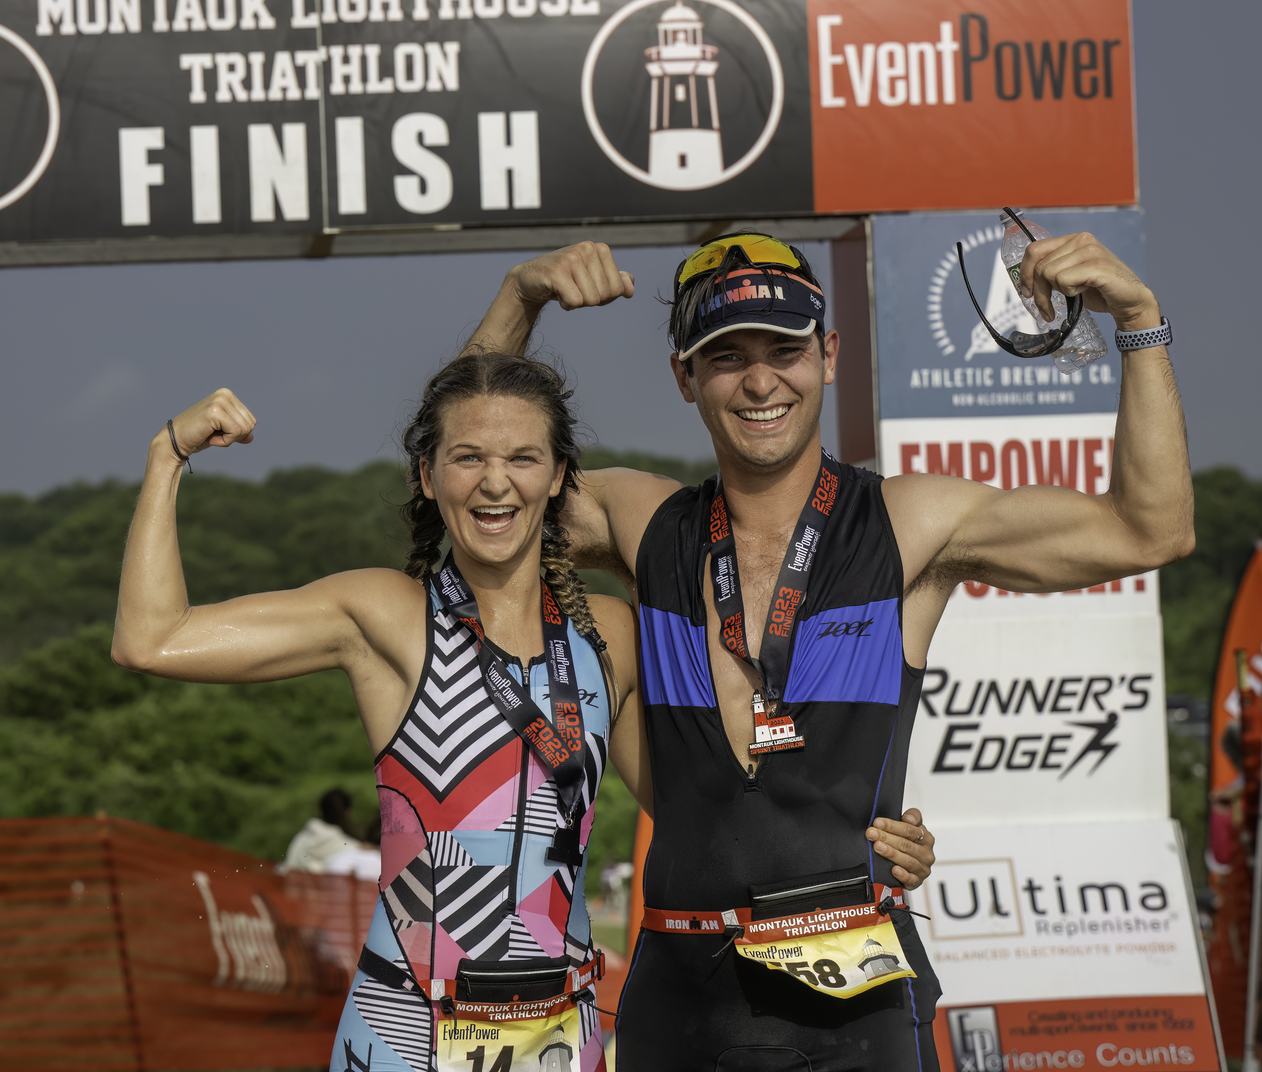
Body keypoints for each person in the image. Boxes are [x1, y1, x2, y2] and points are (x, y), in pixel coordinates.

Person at [463, 230, 1193, 1071]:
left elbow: (1153, 529)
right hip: (680, 993)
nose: (761, 379)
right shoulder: (643, 520)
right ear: (685, 378)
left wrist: (1139, 320)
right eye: (727, 356)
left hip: (857, 998)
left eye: (785, 349)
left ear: (829, 355)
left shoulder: (909, 523)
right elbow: (469, 485)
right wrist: (520, 300)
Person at [111, 350, 940, 1071]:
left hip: (564, 1032)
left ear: (558, 479)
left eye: (522, 457)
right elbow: (153, 639)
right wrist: (166, 457)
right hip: (410, 1029)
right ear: (426, 476)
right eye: (466, 457)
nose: (496, 482)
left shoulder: (609, 634)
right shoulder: (385, 614)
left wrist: (872, 839)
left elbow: (709, 807)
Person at [281, 787, 366, 874]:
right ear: (348, 813)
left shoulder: (301, 838)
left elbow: (287, 868)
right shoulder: (354, 848)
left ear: (320, 811)